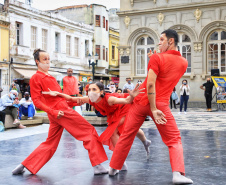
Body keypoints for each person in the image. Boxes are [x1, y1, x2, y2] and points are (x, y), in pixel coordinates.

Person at [108, 29, 193, 184]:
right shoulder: (184, 62)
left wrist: (155, 59)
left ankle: (113, 167)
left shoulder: (157, 58)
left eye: (161, 40)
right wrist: (154, 108)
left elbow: (152, 82)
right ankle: (177, 174)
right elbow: (164, 77)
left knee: (126, 135)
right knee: (174, 139)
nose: (159, 43)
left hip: (141, 102)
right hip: (159, 104)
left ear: (171, 41)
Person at [12, 49, 108, 176]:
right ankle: (97, 166)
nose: (47, 62)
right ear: (37, 61)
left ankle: (24, 165)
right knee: (89, 132)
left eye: (48, 59)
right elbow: (37, 101)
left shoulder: (49, 77)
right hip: (60, 112)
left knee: (50, 143)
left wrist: (75, 102)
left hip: (58, 112)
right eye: (44, 59)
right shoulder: (36, 77)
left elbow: (58, 98)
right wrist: (53, 111)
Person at [44, 82, 151, 159]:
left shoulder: (110, 99)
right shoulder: (90, 99)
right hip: (114, 113)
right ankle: (145, 141)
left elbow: (127, 100)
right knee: (131, 129)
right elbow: (72, 99)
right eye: (89, 90)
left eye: (94, 89)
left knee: (113, 132)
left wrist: (132, 96)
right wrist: (58, 94)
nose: (91, 92)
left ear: (101, 92)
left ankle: (119, 158)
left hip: (125, 108)